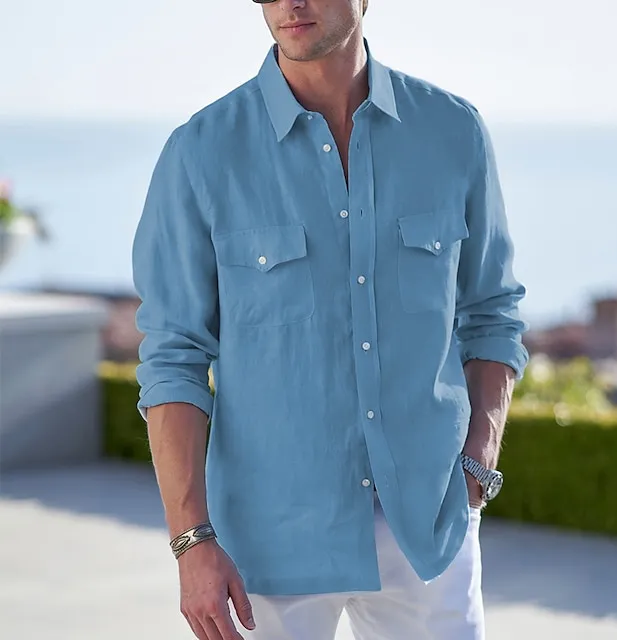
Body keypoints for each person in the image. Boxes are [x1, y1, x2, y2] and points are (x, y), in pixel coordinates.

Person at [131, 1, 529, 638]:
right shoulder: (201, 153)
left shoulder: (452, 132)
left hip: (429, 533)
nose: (290, 3)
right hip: (264, 548)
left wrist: (478, 463)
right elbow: (173, 356)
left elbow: (492, 312)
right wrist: (191, 541)